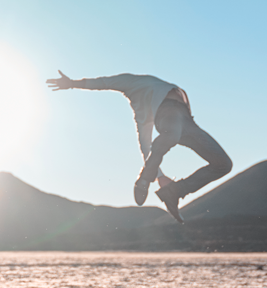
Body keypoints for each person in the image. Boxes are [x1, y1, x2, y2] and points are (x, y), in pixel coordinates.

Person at [46, 71, 232, 223]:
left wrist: (161, 178)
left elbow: (146, 147)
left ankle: (176, 191)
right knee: (170, 134)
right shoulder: (140, 110)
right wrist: (72, 83)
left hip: (188, 123)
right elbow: (104, 83)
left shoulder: (143, 87)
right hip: (170, 117)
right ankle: (144, 178)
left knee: (224, 164)